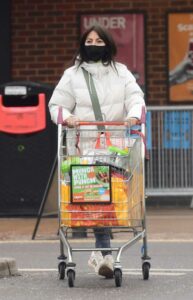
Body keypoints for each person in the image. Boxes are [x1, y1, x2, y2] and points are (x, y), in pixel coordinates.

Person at [49, 25, 145, 278]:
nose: (93, 44)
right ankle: (104, 253)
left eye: (99, 40)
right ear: (82, 44)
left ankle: (103, 253)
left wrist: (134, 116)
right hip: (83, 148)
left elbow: (136, 98)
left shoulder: (121, 73)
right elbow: (57, 105)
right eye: (89, 40)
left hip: (114, 148)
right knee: (95, 199)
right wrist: (67, 118)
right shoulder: (72, 75)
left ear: (108, 44)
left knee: (107, 200)